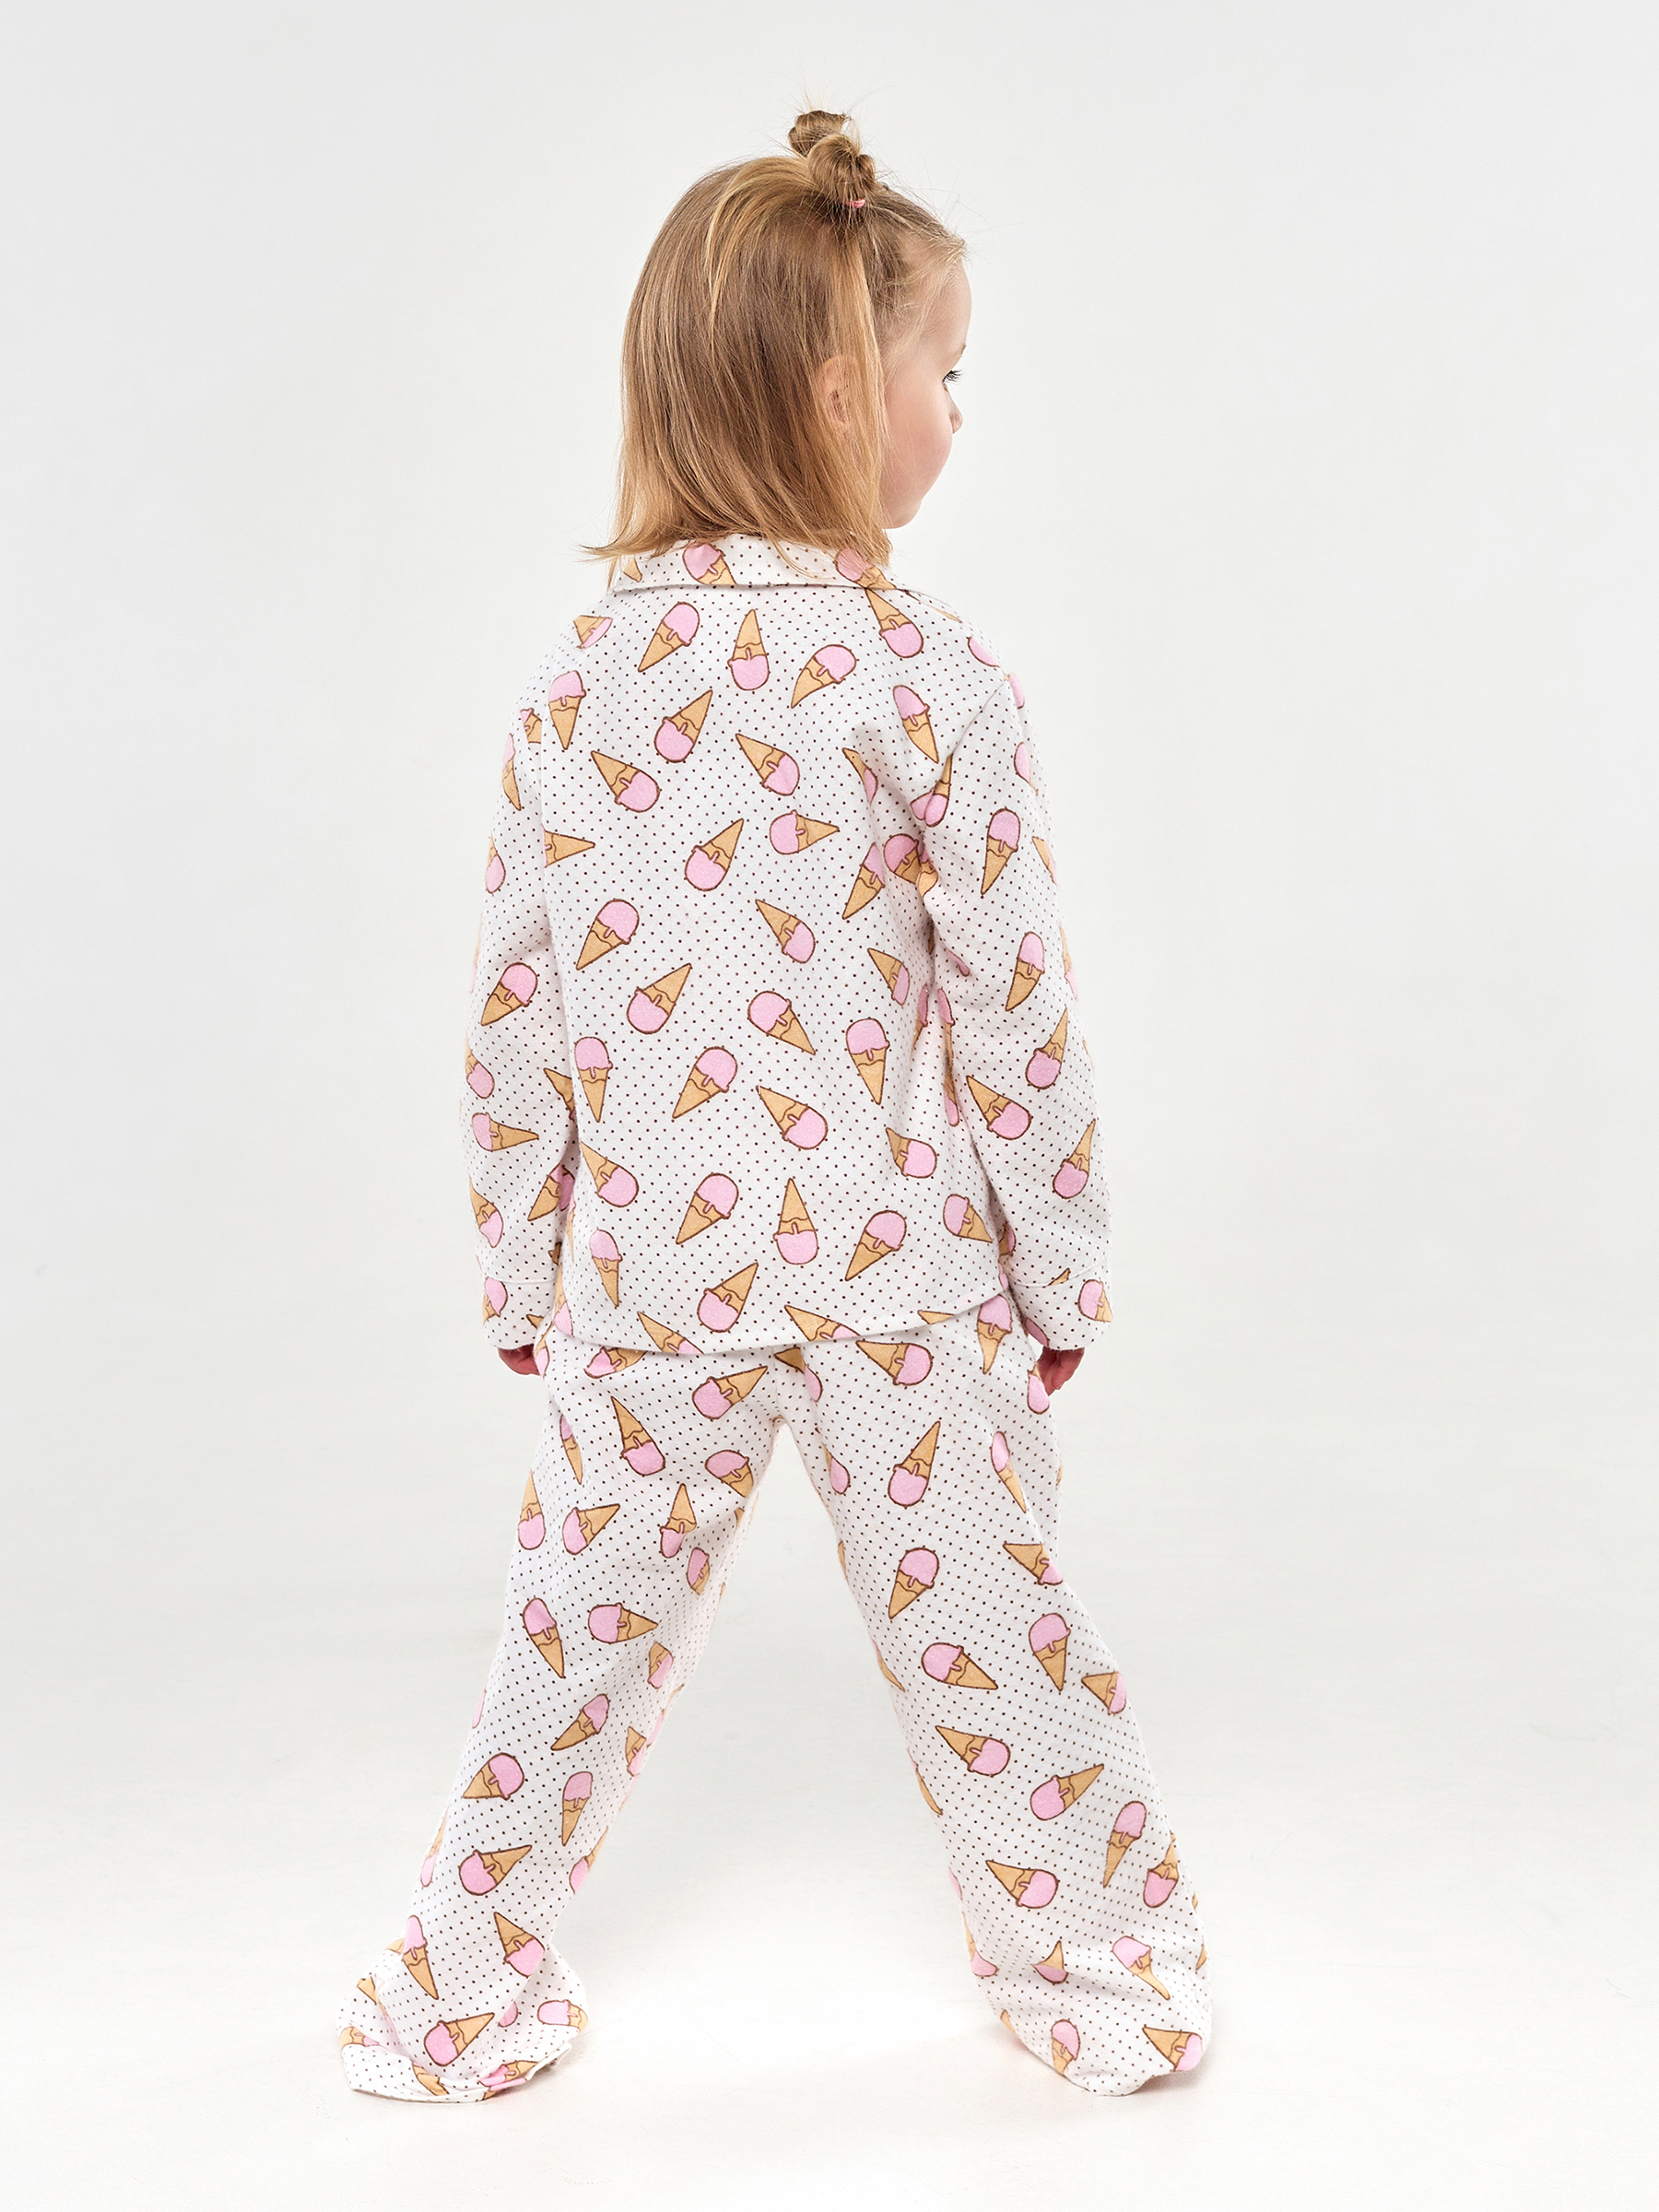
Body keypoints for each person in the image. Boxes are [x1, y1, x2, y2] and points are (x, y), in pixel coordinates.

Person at [336, 109, 1208, 2103]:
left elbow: (518, 1011)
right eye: (946, 372)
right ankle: (1099, 1984)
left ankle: (449, 1995)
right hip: (904, 1276)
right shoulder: (931, 676)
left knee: (566, 1661)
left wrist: (523, 1260)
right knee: (1002, 1646)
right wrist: (1062, 1268)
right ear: (837, 393)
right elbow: (1016, 1014)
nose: (958, 413)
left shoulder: (580, 682)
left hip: (657, 1274)